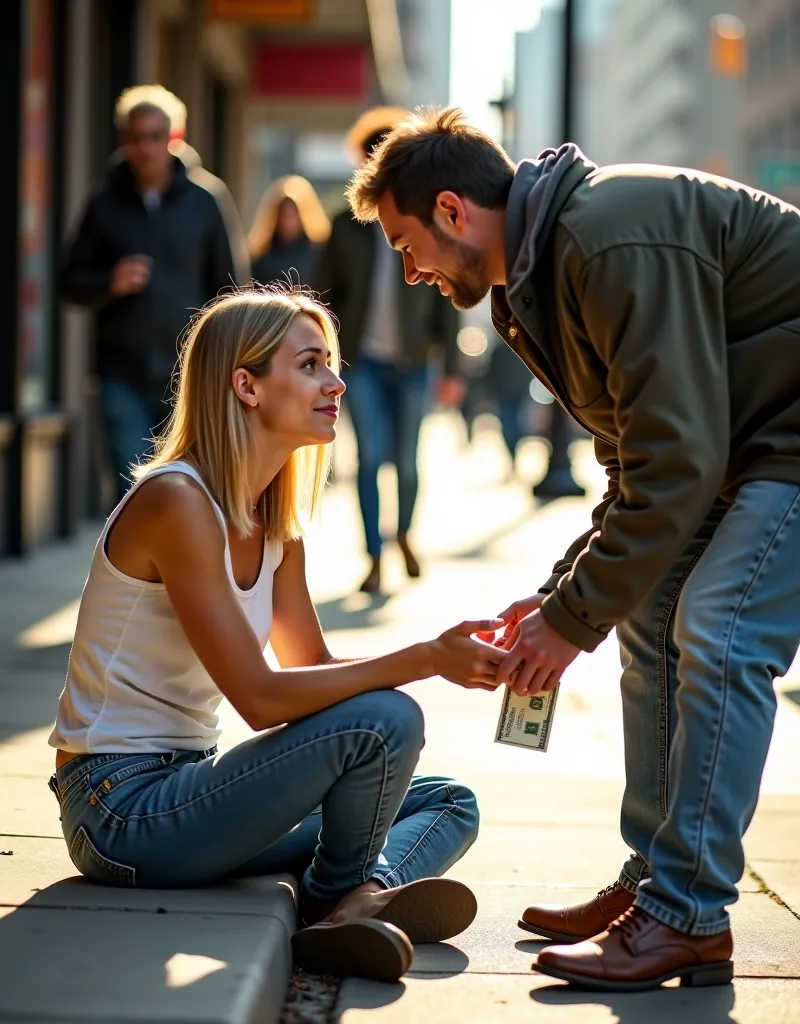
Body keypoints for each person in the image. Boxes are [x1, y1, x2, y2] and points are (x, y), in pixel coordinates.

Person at [345, 107, 800, 991]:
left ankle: (686, 914)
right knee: (647, 617)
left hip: (779, 443)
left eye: (408, 247)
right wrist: (557, 601)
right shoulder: (542, 275)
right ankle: (655, 886)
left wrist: (568, 620)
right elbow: (640, 466)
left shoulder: (603, 239)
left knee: (719, 627)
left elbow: (674, 462)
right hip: (741, 446)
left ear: (451, 210)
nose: (411, 273)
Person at [47, 285, 506, 983]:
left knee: (445, 800)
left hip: (191, 790)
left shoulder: (273, 522)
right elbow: (261, 699)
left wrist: (444, 654)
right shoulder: (177, 501)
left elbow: (311, 668)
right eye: (313, 364)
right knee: (387, 720)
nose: (337, 382)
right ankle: (340, 900)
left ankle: (361, 896)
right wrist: (423, 660)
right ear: (247, 386)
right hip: (119, 811)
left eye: (331, 364)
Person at [60, 85, 241, 504]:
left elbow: (230, 288)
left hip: (189, 375)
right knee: (133, 493)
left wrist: (226, 362)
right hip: (120, 375)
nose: (145, 148)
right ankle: (141, 572)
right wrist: (110, 282)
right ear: (124, 141)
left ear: (173, 138)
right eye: (136, 137)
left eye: (155, 137)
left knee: (189, 488)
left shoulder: (205, 200)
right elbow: (69, 283)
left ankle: (177, 569)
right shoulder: (103, 204)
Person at [318, 107, 464, 594]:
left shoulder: (425, 221)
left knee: (405, 459)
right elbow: (324, 295)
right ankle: (374, 556)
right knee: (370, 456)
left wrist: (452, 365)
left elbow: (450, 295)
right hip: (361, 363)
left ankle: (403, 535)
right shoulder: (344, 226)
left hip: (416, 360)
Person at [249, 175, 330, 288]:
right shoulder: (261, 257)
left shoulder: (319, 255)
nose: (288, 221)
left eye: (292, 215)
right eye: (284, 215)